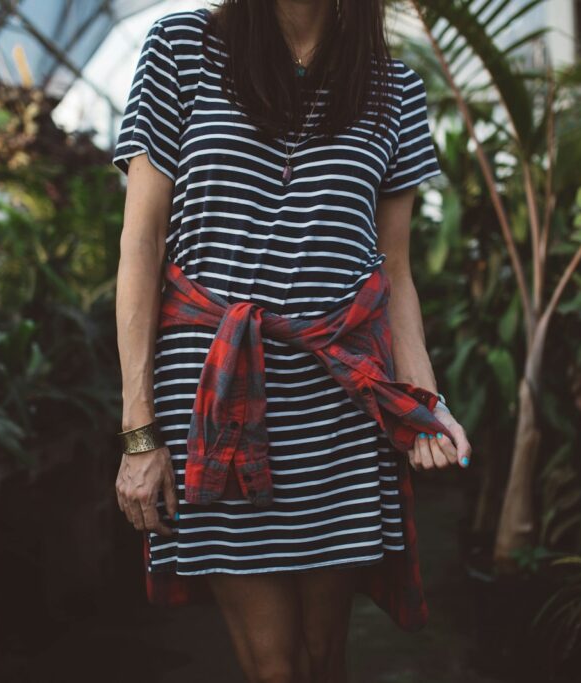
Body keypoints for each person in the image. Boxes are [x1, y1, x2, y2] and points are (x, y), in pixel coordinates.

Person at [112, 1, 472, 681]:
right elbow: (141, 243)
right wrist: (139, 431)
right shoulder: (183, 47)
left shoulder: (393, 86)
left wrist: (423, 400)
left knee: (322, 656)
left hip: (335, 401)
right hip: (214, 400)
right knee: (275, 666)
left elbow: (393, 272)